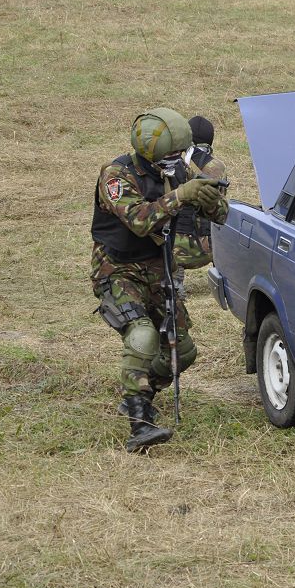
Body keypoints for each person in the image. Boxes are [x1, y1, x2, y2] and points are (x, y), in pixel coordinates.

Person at [90, 107, 228, 452]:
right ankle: (139, 424)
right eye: (172, 154)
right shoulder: (116, 176)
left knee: (182, 351)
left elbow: (221, 215)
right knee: (142, 335)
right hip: (117, 269)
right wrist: (181, 196)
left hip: (158, 267)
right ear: (150, 151)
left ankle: (141, 392)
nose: (179, 160)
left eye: (181, 153)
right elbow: (139, 221)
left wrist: (210, 202)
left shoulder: (178, 171)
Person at [169, 115, 228, 295]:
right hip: (211, 248)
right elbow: (219, 208)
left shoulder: (172, 163)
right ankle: (222, 277)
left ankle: (176, 282)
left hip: (176, 252)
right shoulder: (217, 167)